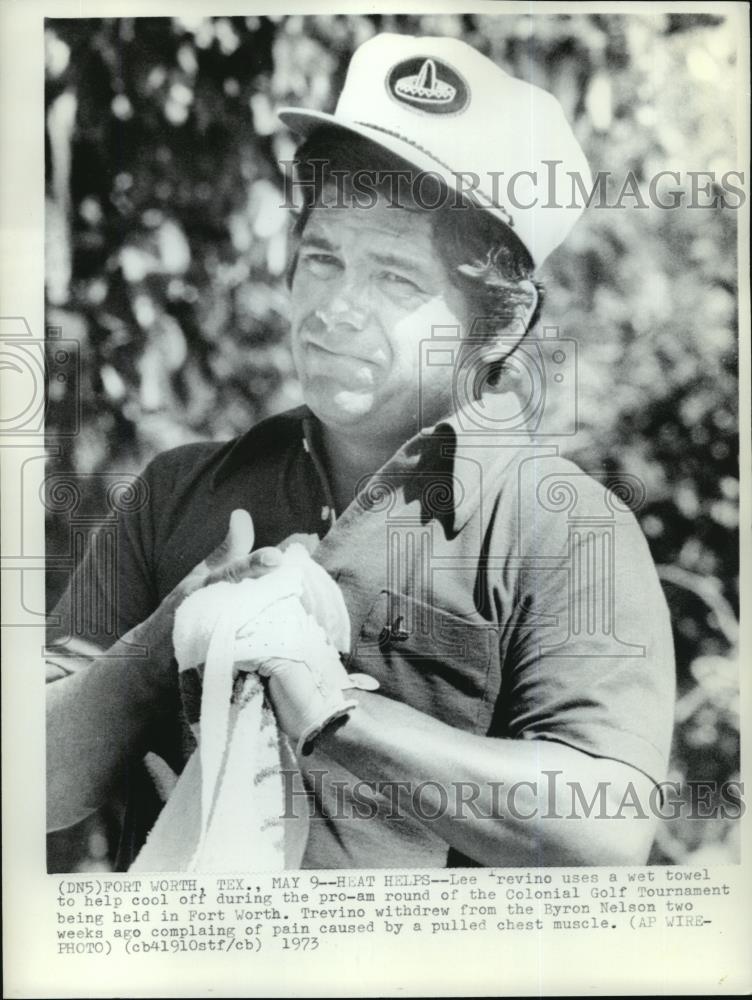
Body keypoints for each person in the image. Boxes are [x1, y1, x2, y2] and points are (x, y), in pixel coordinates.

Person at [47, 33, 675, 870]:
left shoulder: (563, 529)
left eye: (395, 279)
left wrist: (336, 713)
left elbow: (606, 827)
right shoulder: (175, 491)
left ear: (500, 322)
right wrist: (174, 634)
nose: (336, 307)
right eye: (321, 259)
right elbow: (33, 778)